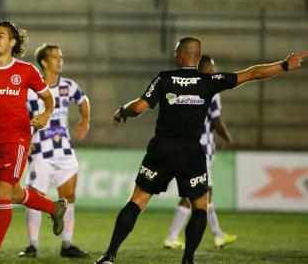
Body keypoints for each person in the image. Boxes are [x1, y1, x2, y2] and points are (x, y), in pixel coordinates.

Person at [94, 36, 307, 264]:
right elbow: (253, 73)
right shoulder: (208, 81)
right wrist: (284, 65)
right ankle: (187, 260)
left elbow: (138, 107)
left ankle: (109, 255)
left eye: (176, 50)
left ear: (183, 54)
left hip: (162, 149)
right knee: (200, 207)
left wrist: (121, 111)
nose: (175, 54)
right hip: (191, 152)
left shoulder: (164, 79)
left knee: (137, 201)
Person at [0, 21, 68, 264]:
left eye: (0, 36)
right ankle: (54, 208)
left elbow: (49, 100)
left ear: (12, 42)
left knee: (2, 191)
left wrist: (45, 115)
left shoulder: (26, 71)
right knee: (15, 194)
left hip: (17, 139)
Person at [18, 43, 90, 258]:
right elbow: (18, 113)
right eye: (56, 57)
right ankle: (32, 245)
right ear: (44, 62)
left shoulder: (68, 85)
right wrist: (23, 137)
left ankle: (67, 245)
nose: (61, 60)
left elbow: (83, 100)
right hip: (40, 151)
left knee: (68, 196)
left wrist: (85, 120)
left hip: (65, 152)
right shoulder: (32, 89)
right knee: (35, 196)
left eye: (61, 57)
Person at [164, 55, 236, 250]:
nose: (215, 72)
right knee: (195, 195)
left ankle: (218, 235)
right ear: (203, 69)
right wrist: (228, 138)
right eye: (212, 69)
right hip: (201, 151)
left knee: (204, 193)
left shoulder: (184, 87)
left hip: (189, 147)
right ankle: (172, 236)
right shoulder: (212, 89)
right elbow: (216, 120)